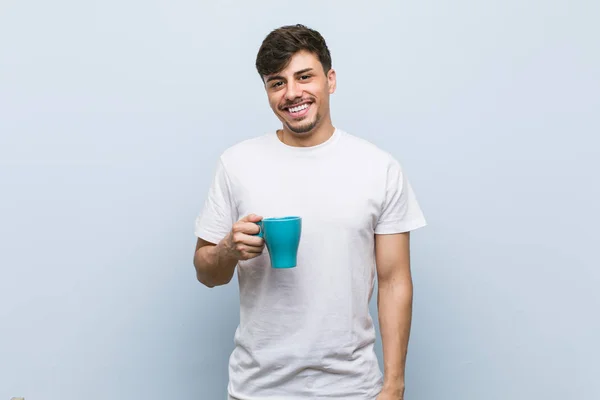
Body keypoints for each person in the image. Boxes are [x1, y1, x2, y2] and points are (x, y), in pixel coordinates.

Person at [193, 24, 427, 400]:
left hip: (353, 390)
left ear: (330, 80)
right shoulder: (236, 164)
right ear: (268, 92)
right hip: (257, 390)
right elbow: (206, 272)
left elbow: (395, 281)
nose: (292, 93)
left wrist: (394, 385)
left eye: (304, 77)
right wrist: (227, 251)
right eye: (277, 83)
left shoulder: (379, 168)